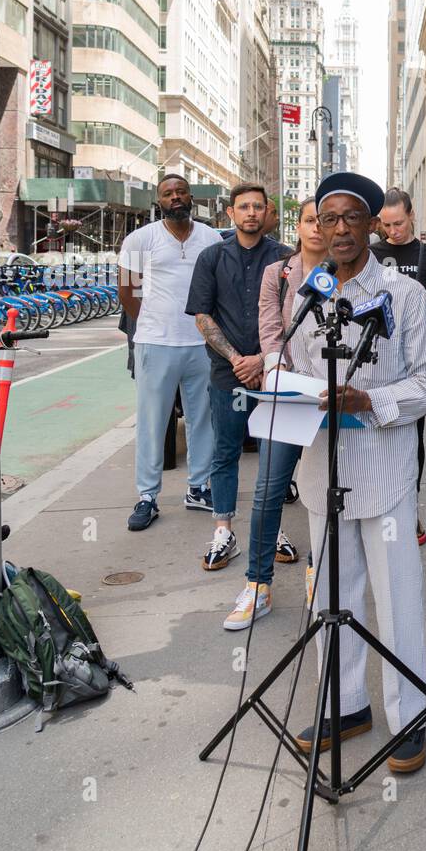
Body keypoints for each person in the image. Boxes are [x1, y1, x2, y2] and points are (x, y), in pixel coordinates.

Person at [289, 171, 426, 774]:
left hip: (383, 473)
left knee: (396, 596)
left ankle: (408, 713)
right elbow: (297, 369)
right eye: (329, 219)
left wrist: (370, 401)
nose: (341, 229)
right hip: (322, 471)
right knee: (334, 595)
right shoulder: (310, 292)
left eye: (353, 218)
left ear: (373, 224)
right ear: (319, 228)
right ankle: (345, 705)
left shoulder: (403, 296)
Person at [221, 198, 332, 631]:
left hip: (331, 392)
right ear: (298, 226)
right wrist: (274, 367)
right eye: (309, 220)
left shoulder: (346, 269)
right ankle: (258, 585)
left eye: (323, 221)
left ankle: (317, 573)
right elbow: (269, 326)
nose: (317, 229)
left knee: (324, 489)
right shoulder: (279, 273)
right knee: (269, 488)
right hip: (286, 391)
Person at [185, 184, 294, 570]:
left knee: (273, 452)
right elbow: (202, 315)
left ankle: (272, 527)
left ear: (267, 212)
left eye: (258, 207)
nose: (251, 212)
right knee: (226, 450)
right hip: (227, 372)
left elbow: (292, 317)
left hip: (275, 372)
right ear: (230, 213)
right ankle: (223, 529)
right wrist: (237, 359)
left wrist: (263, 360)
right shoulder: (211, 257)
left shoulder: (286, 259)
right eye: (243, 206)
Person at [118, 175, 224, 531]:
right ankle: (147, 496)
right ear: (158, 200)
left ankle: (198, 487)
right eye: (168, 193)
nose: (175, 198)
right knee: (152, 421)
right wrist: (151, 322)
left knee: (202, 419)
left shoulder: (210, 237)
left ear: (190, 197)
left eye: (180, 192)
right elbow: (128, 291)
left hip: (200, 344)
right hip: (156, 343)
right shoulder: (140, 239)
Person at [373, 188, 426, 544]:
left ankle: (409, 507)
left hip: (414, 356)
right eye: (385, 225)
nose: (392, 231)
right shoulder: (371, 253)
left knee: (410, 435)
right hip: (375, 355)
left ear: (411, 215)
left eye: (398, 223)